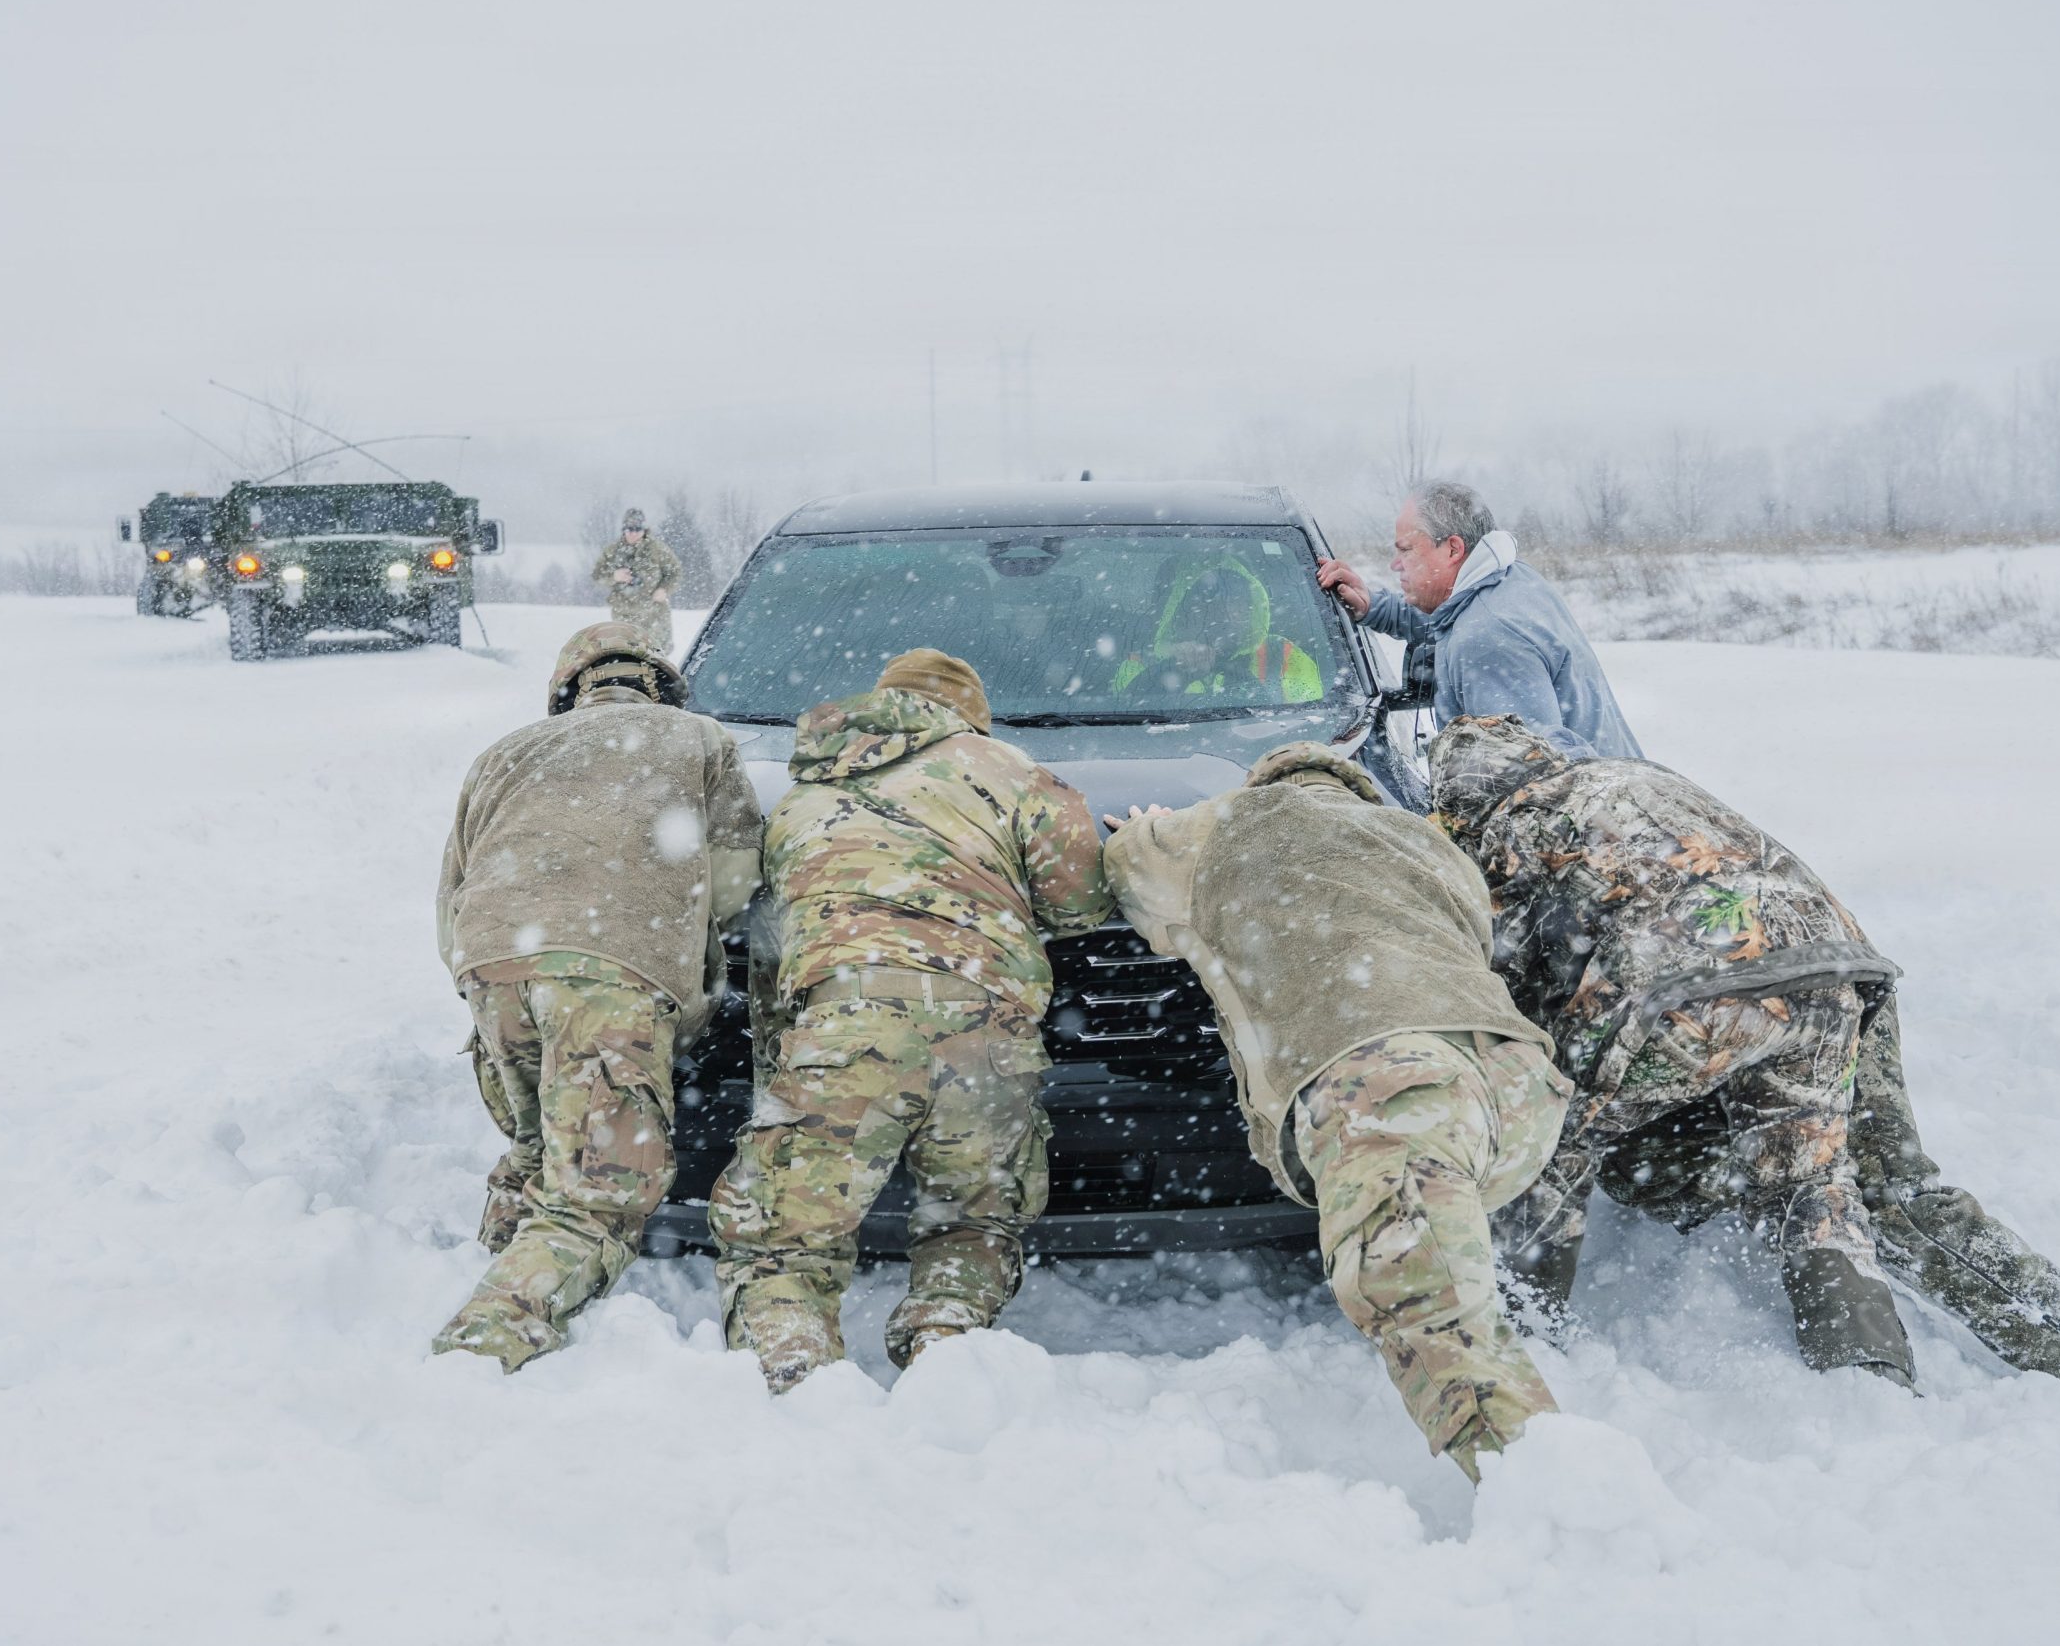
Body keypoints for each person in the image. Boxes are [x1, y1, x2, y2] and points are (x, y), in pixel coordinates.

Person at [1427, 714, 2060, 1389]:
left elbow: (1503, 978)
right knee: (1818, 1183)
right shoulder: (1632, 778)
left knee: (1548, 1137)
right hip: (1834, 971)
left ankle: (1514, 1345)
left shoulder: (1511, 823)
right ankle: (1902, 1365)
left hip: (1693, 986)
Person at [1101, 744, 1572, 1480]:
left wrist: (1150, 829)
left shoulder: (1232, 821)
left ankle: (1553, 1501)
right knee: (1447, 1270)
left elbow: (1129, 870)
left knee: (1428, 1310)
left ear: (1266, 786)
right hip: (1519, 1088)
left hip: (1390, 1085)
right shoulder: (1426, 842)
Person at [709, 650, 1113, 1390]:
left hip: (841, 1031)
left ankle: (796, 1381)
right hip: (985, 1037)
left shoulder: (801, 796)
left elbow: (770, 955)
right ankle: (944, 1344)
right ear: (969, 716)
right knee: (971, 1222)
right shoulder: (1010, 769)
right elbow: (1079, 903)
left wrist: (785, 1080)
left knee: (782, 1242)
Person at [430, 624, 763, 1371]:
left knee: (537, 1146)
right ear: (661, 685)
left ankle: (495, 1257)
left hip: (489, 968)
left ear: (567, 690)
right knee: (599, 1200)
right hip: (610, 975)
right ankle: (484, 1344)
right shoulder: (697, 738)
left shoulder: (504, 753)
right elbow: (736, 882)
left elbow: (450, 899)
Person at [1318, 482, 1639, 759]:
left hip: (1589, 822)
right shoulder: (1506, 581)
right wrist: (1372, 605)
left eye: (1406, 550)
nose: (1396, 564)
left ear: (1453, 549)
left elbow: (1531, 775)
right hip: (1623, 798)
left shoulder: (1487, 637)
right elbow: (1441, 620)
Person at [1112, 557, 1324, 703]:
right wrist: (1169, 670)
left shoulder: (1280, 655)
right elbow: (1122, 734)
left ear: (1251, 606)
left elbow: (1314, 725)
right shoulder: (1140, 663)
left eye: (1235, 599)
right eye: (1205, 599)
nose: (1222, 611)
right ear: (1177, 609)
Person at [595, 507, 683, 654]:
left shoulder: (657, 549)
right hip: (624, 617)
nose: (634, 533)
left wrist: (664, 589)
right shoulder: (612, 551)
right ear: (624, 530)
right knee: (626, 660)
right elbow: (597, 575)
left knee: (658, 660)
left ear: (644, 528)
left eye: (637, 528)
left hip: (654, 616)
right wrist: (613, 576)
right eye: (629, 529)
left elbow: (675, 572)